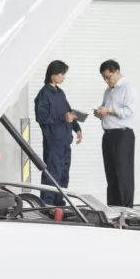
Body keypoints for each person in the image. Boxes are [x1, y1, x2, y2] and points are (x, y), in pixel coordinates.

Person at [34, 60, 82, 207]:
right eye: (62, 74)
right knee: (52, 176)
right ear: (52, 75)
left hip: (65, 141)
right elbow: (41, 117)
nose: (64, 77)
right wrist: (63, 118)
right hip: (53, 142)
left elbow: (68, 112)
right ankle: (48, 207)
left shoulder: (60, 93)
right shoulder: (44, 94)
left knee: (63, 175)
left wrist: (77, 128)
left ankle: (60, 206)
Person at [94, 59, 136, 208]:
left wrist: (109, 111)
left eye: (108, 77)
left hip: (123, 136)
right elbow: (106, 107)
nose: (107, 80)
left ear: (117, 72)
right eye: (104, 78)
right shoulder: (108, 91)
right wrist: (100, 112)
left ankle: (126, 208)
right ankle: (113, 207)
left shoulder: (127, 88)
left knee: (123, 173)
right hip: (108, 135)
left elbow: (129, 111)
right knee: (111, 174)